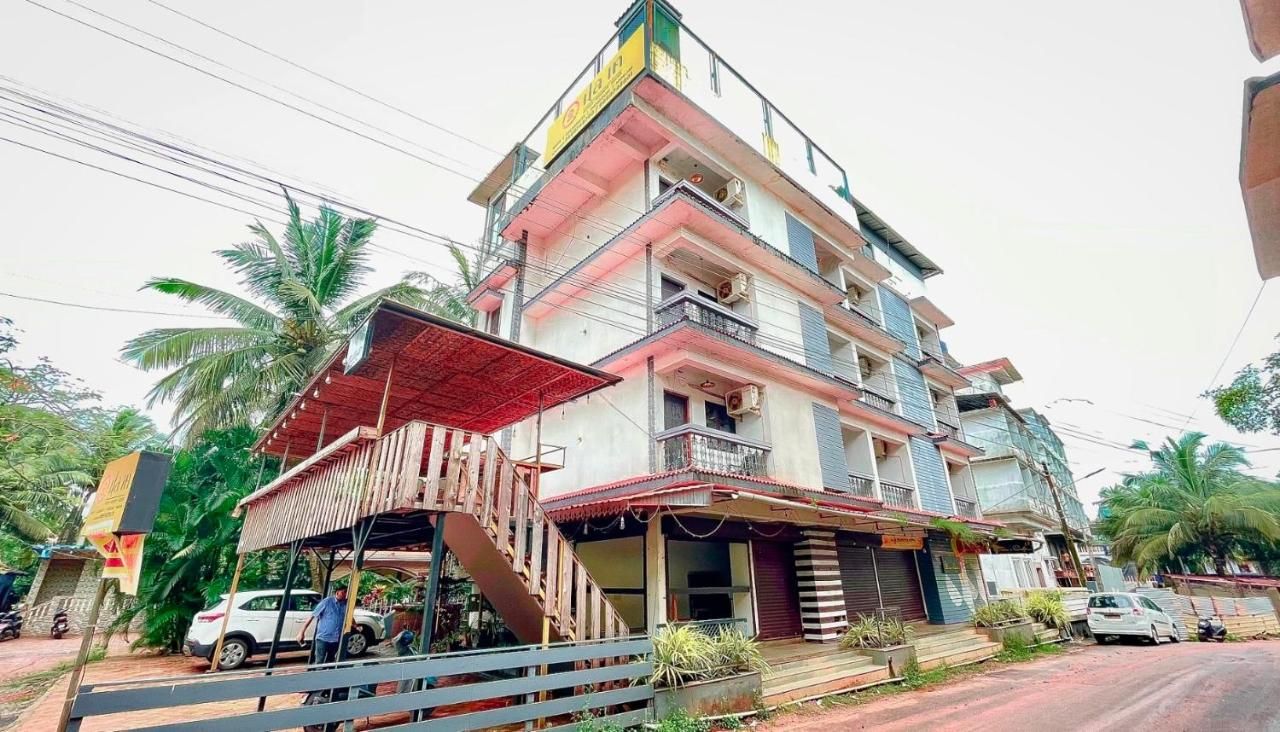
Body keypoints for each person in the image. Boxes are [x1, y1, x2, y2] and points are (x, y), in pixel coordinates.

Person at [298, 586, 347, 665]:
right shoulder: (327, 602)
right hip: (323, 638)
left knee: (331, 660)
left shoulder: (345, 604)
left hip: (336, 638)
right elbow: (312, 616)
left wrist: (356, 626)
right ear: (337, 592)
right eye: (343, 592)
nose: (345, 594)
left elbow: (349, 617)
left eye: (346, 592)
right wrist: (302, 632)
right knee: (319, 660)